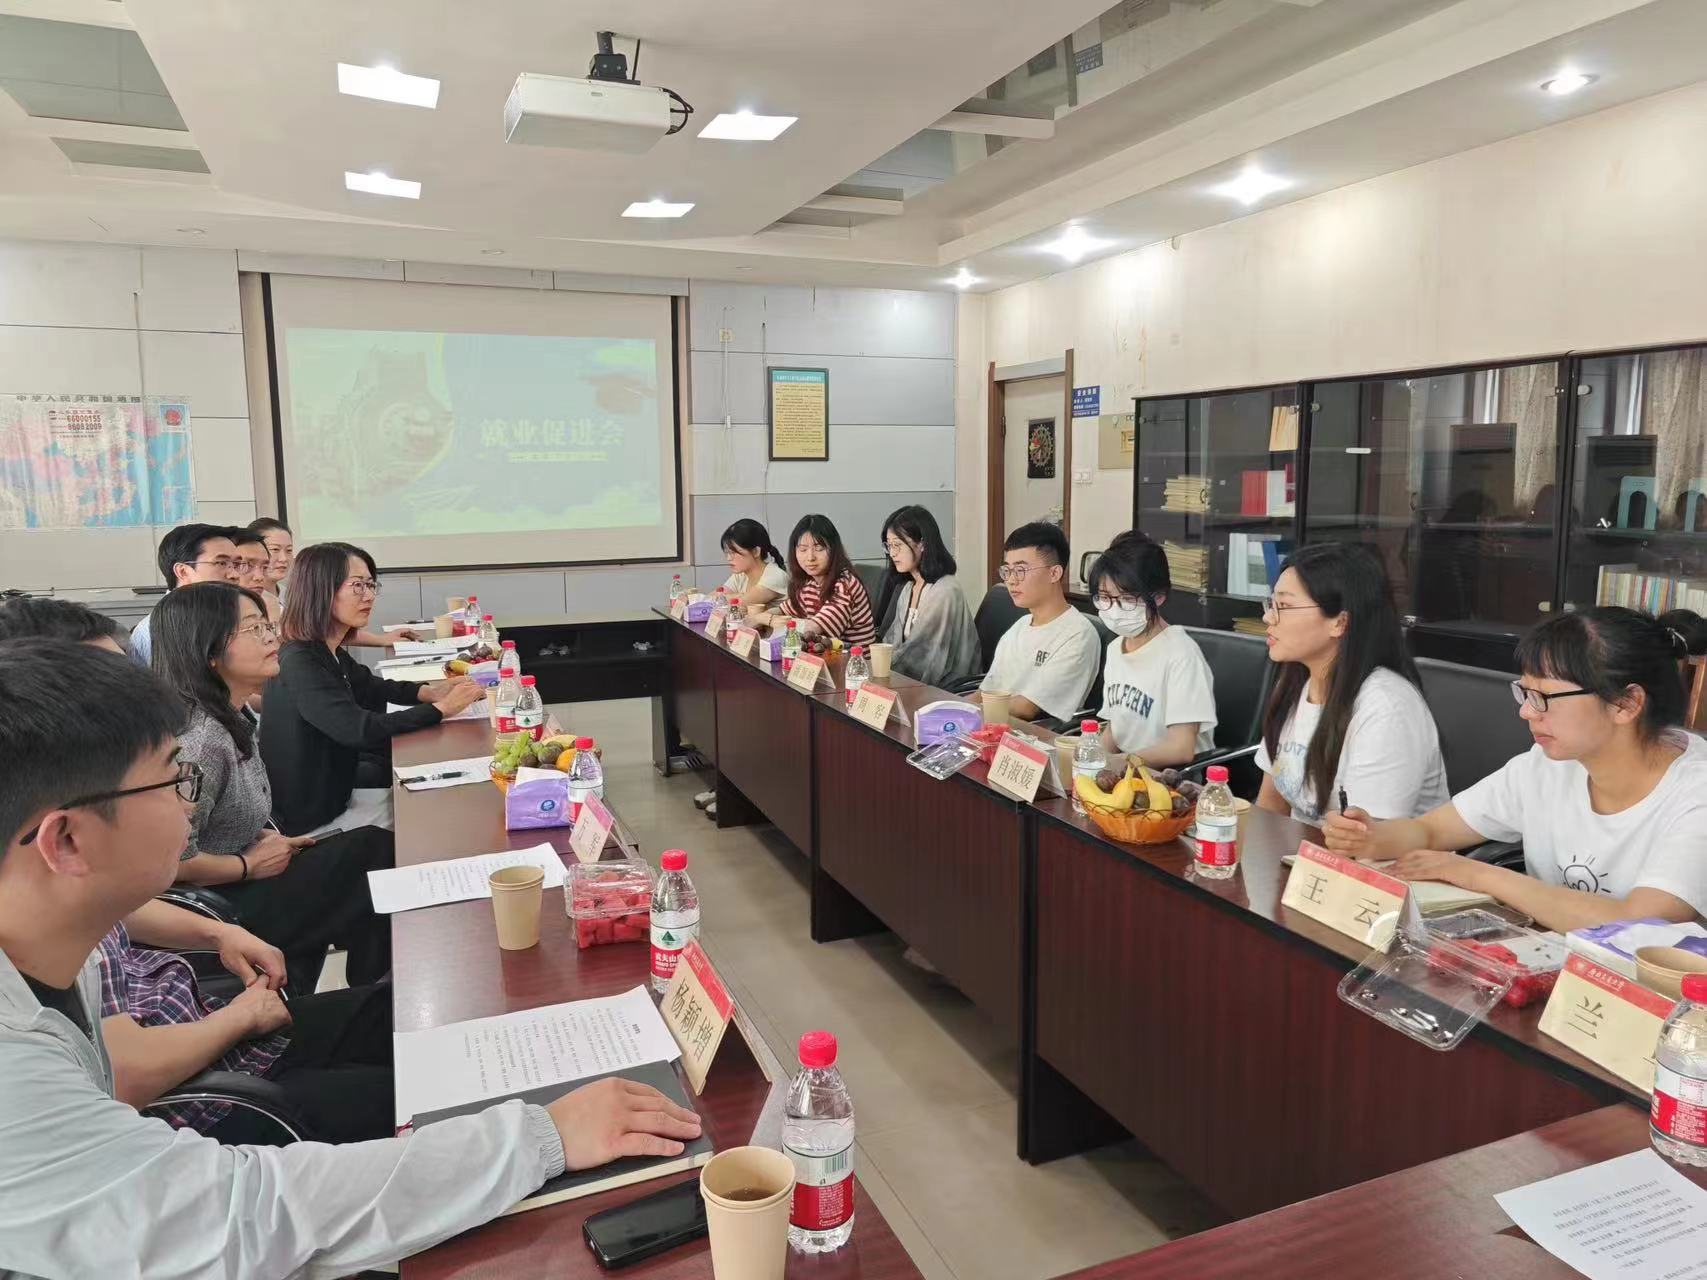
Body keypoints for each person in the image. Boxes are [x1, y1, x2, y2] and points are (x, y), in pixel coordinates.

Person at [0, 641, 701, 1276]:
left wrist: (212, 935)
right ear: (67, 842)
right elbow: (242, 1219)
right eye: (174, 781)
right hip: (199, 1166)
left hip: (192, 1084)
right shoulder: (14, 1078)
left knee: (428, 1027)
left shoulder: (46, 923)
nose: (192, 805)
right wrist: (540, 1137)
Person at [1323, 606, 1707, 931]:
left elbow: (1640, 924)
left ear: (1626, 703)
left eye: (1544, 697)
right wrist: (1370, 837)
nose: (1526, 712)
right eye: (1524, 692)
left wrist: (1476, 873)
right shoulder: (1548, 765)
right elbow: (1432, 830)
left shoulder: (1696, 792)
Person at [152, 582, 393, 992]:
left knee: (370, 852)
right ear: (208, 651)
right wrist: (247, 865)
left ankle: (374, 988)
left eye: (268, 626)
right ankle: (373, 997)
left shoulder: (234, 713)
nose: (272, 638)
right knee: (372, 856)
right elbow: (169, 865)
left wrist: (259, 835)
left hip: (245, 868)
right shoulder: (200, 741)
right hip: (221, 903)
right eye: (254, 629)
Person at [261, 543, 483, 835]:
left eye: (370, 585)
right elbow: (359, 729)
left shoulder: (323, 649)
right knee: (436, 823)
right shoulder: (301, 660)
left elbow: (369, 685)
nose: (368, 596)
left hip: (336, 793)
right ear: (321, 590)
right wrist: (441, 710)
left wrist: (428, 692)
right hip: (312, 821)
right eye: (357, 586)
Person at [1253, 542, 1449, 825]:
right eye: (1271, 604)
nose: (1268, 617)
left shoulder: (1387, 708)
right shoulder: (1296, 684)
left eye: (1284, 606)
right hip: (1301, 850)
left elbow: (1368, 840)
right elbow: (1271, 806)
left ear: (1339, 622)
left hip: (1371, 853)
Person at [1088, 531, 1216, 766]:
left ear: (1158, 597)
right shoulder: (1116, 648)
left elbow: (1181, 748)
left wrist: (1119, 763)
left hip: (1171, 776)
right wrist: (1092, 760)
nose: (1114, 610)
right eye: (1105, 598)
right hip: (1126, 769)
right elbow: (1116, 729)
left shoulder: (1181, 655)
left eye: (1127, 599)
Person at [978, 521, 1100, 723]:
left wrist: (975, 712)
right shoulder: (1020, 625)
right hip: (993, 724)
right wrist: (953, 708)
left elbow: (1027, 708)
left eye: (1021, 570)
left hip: (1032, 733)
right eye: (1007, 570)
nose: (1011, 580)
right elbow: (985, 692)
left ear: (1054, 573)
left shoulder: (1078, 634)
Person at [875, 504, 979, 685]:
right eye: (889, 546)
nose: (892, 553)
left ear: (922, 544)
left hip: (949, 687)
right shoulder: (908, 588)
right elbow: (891, 643)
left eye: (897, 545)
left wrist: (879, 670)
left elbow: (925, 655)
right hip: (913, 682)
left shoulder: (946, 590)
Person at [753, 514, 876, 646]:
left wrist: (767, 620)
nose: (810, 557)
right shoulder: (810, 583)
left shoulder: (845, 584)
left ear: (834, 550)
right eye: (803, 549)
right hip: (825, 655)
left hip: (854, 657)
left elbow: (813, 629)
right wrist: (761, 617)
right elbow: (784, 609)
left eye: (819, 549)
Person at [129, 523, 243, 665]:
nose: (235, 574)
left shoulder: (241, 615)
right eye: (221, 563)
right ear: (183, 571)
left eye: (237, 565)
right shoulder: (152, 633)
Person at [718, 518, 790, 608]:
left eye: (734, 552)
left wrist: (734, 597)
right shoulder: (740, 575)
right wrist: (737, 595)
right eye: (727, 552)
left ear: (756, 551)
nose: (729, 558)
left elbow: (738, 604)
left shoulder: (775, 576)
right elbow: (711, 599)